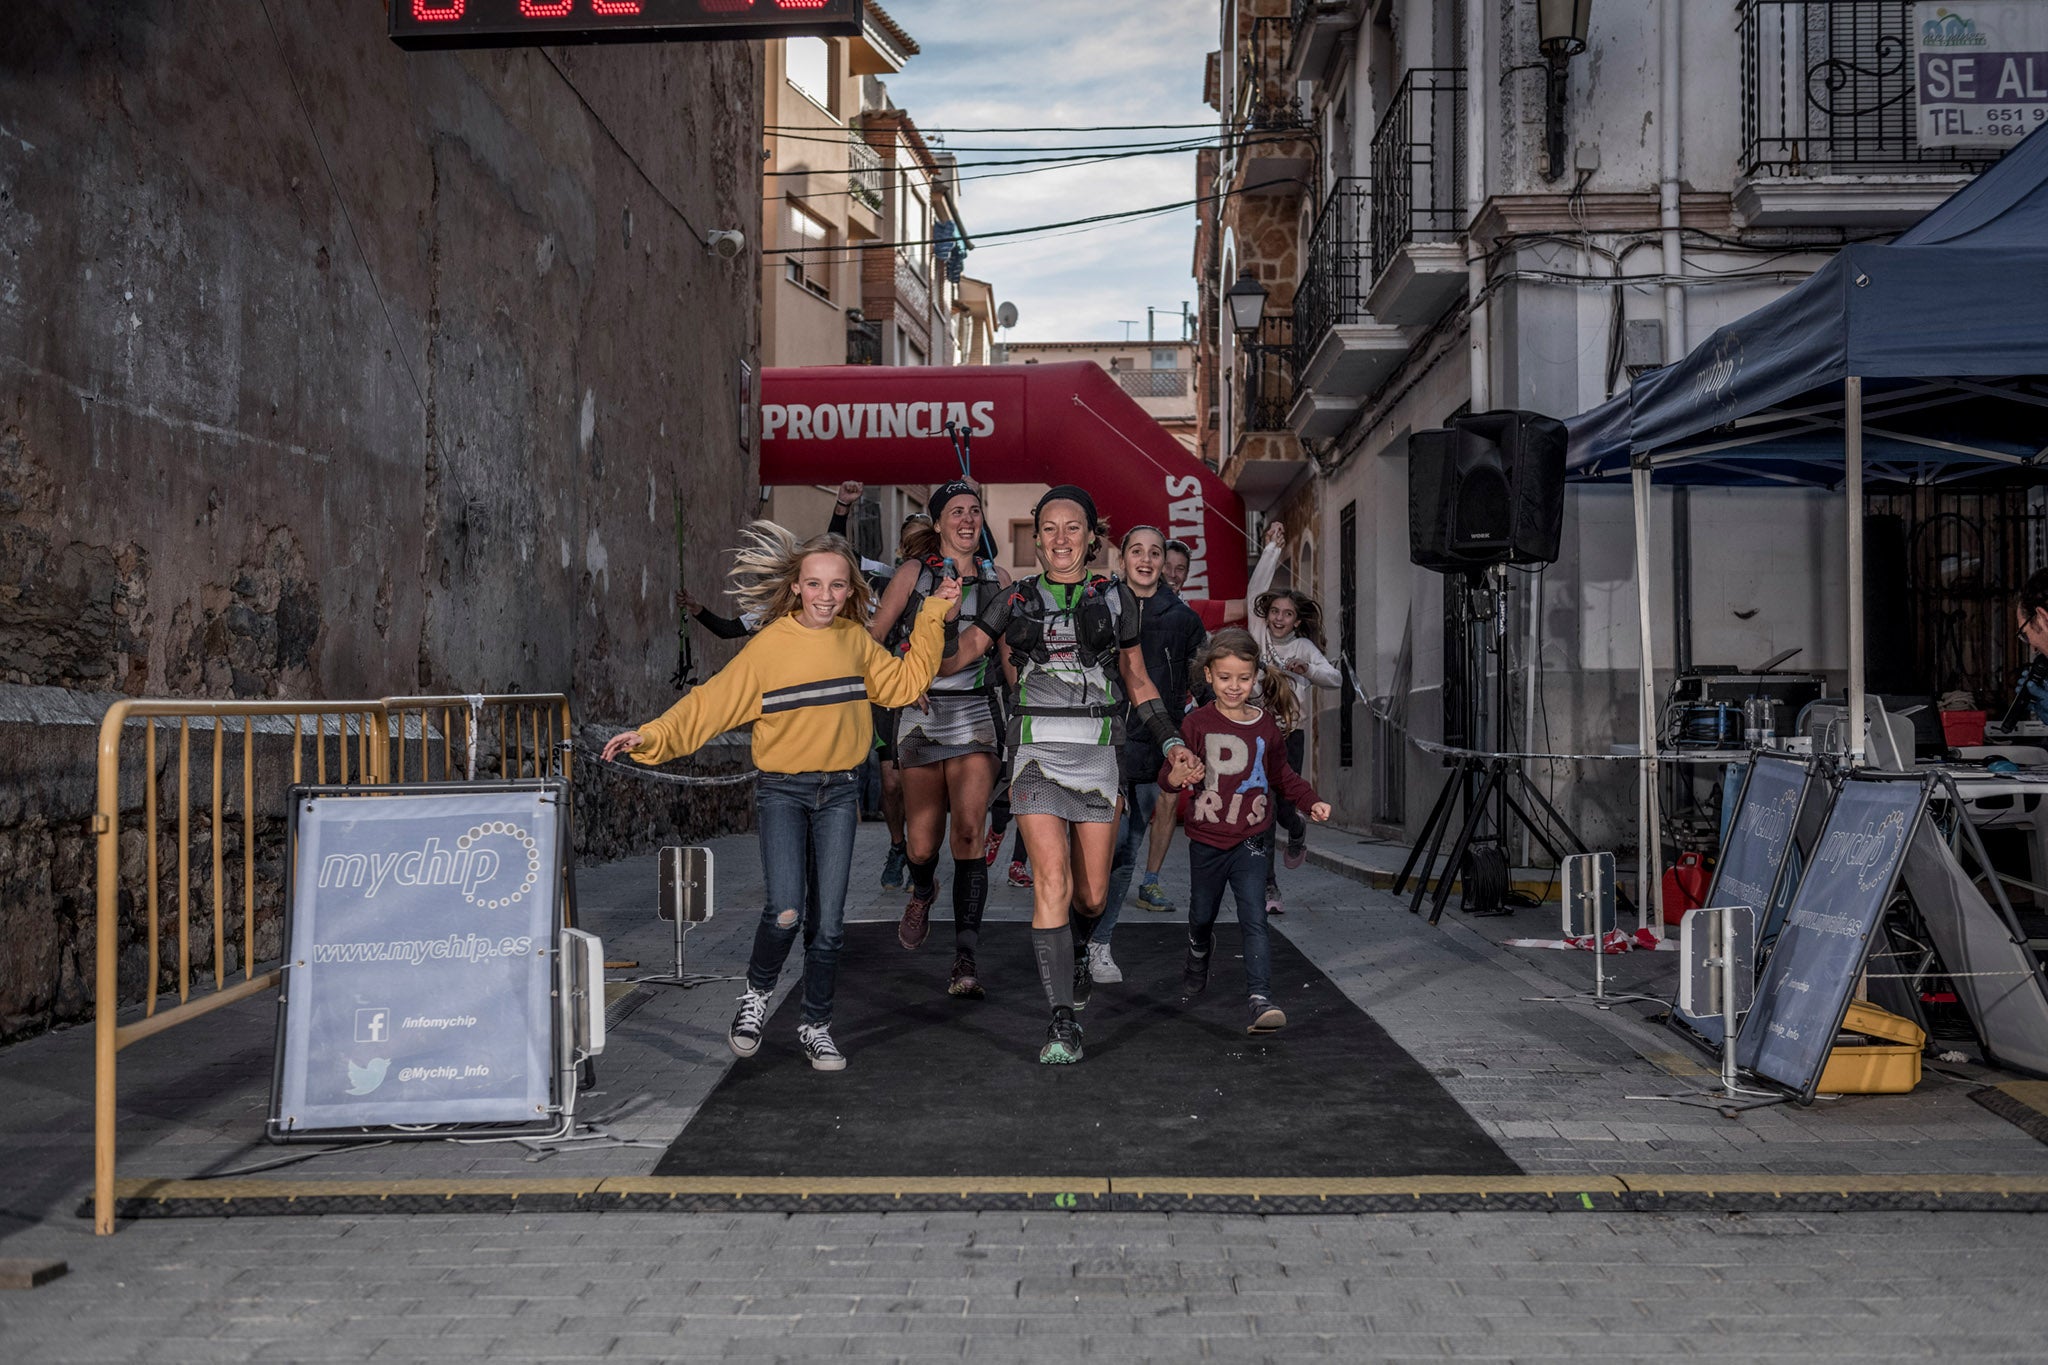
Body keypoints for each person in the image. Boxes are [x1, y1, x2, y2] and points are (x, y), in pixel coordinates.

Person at [603, 522, 958, 1072]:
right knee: (787, 910)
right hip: (783, 793)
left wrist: (934, 613)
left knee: (831, 926)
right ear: (795, 585)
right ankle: (756, 997)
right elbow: (709, 704)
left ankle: (816, 1025)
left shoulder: (855, 642)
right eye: (814, 584)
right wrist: (651, 736)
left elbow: (905, 685)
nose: (825, 596)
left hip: (840, 793)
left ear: (850, 590)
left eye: (837, 586)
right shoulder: (769, 648)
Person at [942, 485, 1203, 1064]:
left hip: (1098, 759)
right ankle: (1061, 1022)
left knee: (1091, 894)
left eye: (1073, 528)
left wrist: (1172, 744)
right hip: (1035, 755)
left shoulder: (1116, 600)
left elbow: (1137, 681)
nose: (1061, 539)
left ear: (1091, 537)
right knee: (1051, 883)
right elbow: (963, 652)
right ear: (1037, 538)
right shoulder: (1011, 600)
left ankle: (1082, 946)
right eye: (1050, 529)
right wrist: (908, 657)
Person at [869, 480, 1011, 998]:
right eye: (957, 511)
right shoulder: (914, 573)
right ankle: (923, 889)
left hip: (975, 712)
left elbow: (1010, 657)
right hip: (919, 712)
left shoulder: (1000, 580)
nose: (967, 519)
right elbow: (873, 639)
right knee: (924, 843)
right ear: (939, 523)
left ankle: (965, 958)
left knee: (969, 834)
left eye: (975, 511)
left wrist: (1020, 722)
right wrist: (901, 683)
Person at [1163, 628, 1332, 1034]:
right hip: (1206, 840)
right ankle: (1197, 952)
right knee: (1201, 915)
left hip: (1252, 840)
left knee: (1254, 918)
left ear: (1255, 676)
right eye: (1225, 677)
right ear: (1209, 677)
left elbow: (1281, 775)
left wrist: (1310, 800)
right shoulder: (1196, 723)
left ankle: (1260, 999)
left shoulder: (1266, 726)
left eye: (1243, 677)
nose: (1234, 686)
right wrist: (1177, 775)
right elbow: (1167, 779)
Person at [1092, 525, 1208, 984]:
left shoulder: (1184, 619)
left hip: (1149, 749)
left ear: (1164, 563)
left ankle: (1100, 943)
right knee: (1089, 852)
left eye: (1154, 553)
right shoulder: (1097, 605)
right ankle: (1074, 932)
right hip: (1095, 742)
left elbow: (1202, 685)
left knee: (1123, 853)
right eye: (1136, 551)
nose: (1145, 559)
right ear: (1122, 559)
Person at [1247, 521, 1342, 915]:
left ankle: (1298, 829)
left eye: (1287, 613)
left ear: (1297, 620)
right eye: (1274, 612)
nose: (1279, 618)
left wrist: (1307, 671)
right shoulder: (1257, 636)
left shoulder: (1303, 646)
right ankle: (1269, 888)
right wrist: (1271, 548)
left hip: (1291, 736)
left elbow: (1334, 679)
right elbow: (1255, 590)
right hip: (1257, 734)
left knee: (1285, 809)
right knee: (1265, 811)